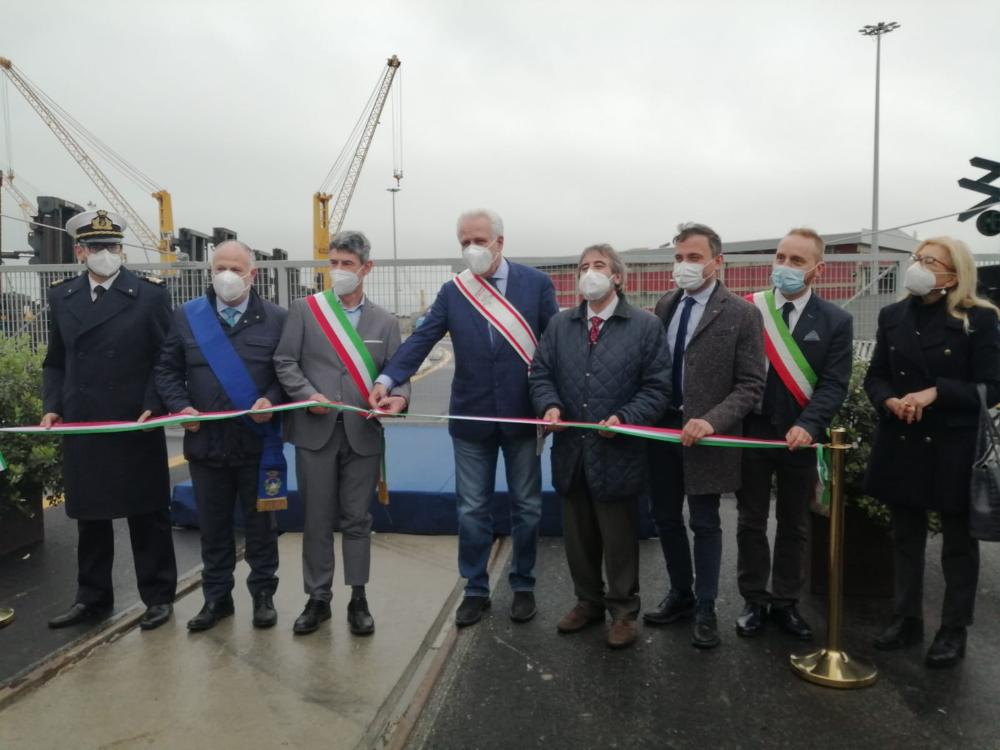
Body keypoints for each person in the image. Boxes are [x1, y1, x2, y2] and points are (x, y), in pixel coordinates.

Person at [369, 209, 559, 627]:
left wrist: (557, 400)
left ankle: (523, 584)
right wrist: (388, 378)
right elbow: (422, 338)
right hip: (471, 417)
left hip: (523, 415)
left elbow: (556, 343)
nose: (471, 248)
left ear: (500, 242)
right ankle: (475, 588)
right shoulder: (455, 291)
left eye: (479, 240)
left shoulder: (536, 284)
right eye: (464, 242)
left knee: (527, 507)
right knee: (471, 509)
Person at [864, 236, 1000, 668]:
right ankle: (906, 618)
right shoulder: (892, 315)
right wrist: (889, 400)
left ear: (953, 275)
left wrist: (935, 392)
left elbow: (991, 386)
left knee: (958, 544)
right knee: (906, 537)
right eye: (917, 258)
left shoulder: (979, 319)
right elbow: (876, 376)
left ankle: (953, 629)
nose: (918, 266)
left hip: (953, 445)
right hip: (903, 438)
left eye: (930, 261)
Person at [42, 209, 177, 631]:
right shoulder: (62, 296)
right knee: (92, 516)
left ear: (122, 250)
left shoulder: (150, 295)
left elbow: (165, 358)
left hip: (133, 419)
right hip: (84, 420)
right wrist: (53, 405)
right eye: (97, 246)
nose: (106, 253)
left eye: (113, 246)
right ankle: (92, 598)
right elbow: (56, 361)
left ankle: (158, 596)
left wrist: (154, 404)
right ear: (80, 252)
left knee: (147, 514)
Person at [529, 245, 669, 649]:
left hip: (617, 452)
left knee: (619, 537)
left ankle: (623, 613)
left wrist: (626, 418)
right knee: (577, 536)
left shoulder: (645, 326)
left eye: (599, 266)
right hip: (571, 452)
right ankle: (587, 602)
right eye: (583, 267)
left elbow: (657, 387)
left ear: (617, 277)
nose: (589, 273)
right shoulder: (560, 325)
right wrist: (550, 405)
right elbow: (540, 374)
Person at [274, 230, 409, 636]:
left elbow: (398, 373)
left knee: (357, 519)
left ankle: (358, 597)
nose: (338, 270)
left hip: (362, 433)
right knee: (316, 519)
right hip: (314, 432)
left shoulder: (385, 321)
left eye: (347, 264)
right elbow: (285, 361)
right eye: (332, 263)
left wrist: (399, 398)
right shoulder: (305, 310)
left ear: (366, 268)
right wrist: (306, 395)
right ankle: (317, 598)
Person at [643, 222, 765, 649]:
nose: (685, 265)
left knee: (705, 521)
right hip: (663, 430)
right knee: (665, 517)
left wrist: (712, 421)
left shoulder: (742, 313)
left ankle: (706, 606)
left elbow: (751, 384)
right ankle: (681, 593)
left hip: (708, 436)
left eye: (694, 258)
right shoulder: (666, 304)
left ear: (717, 261)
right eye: (679, 258)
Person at [155, 240, 286, 631]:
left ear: (252, 274)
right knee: (213, 527)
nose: (227, 276)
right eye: (219, 269)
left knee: (261, 526)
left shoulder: (277, 318)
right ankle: (216, 598)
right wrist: (180, 406)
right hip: (206, 442)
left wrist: (271, 400)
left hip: (257, 444)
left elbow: (287, 373)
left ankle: (263, 595)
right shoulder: (188, 316)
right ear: (210, 272)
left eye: (235, 269)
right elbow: (166, 370)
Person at [734, 228, 852, 641]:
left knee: (794, 523)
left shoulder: (836, 321)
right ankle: (753, 598)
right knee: (750, 520)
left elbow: (834, 383)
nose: (785, 267)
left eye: (797, 261)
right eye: (781, 257)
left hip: (799, 437)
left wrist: (809, 424)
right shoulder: (748, 309)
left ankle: (785, 601)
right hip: (751, 432)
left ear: (818, 269)